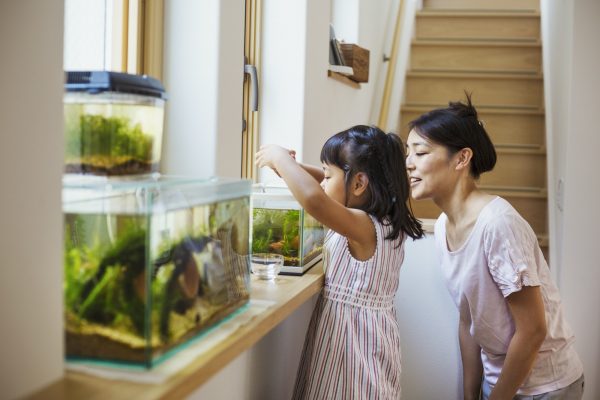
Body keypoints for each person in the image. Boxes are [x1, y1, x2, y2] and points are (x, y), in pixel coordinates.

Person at [405, 94, 584, 400]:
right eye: (407, 152)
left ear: (462, 158)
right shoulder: (444, 227)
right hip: (501, 381)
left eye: (420, 152)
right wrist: (470, 393)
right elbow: (468, 320)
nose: (408, 163)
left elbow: (532, 331)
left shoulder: (498, 224)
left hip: (546, 387)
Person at [256, 125, 424, 399]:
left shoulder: (362, 225)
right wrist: (294, 169)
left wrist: (280, 159)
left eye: (327, 175)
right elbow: (327, 187)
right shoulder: (385, 221)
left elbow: (315, 199)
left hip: (353, 349)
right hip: (369, 339)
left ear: (358, 184)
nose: (321, 181)